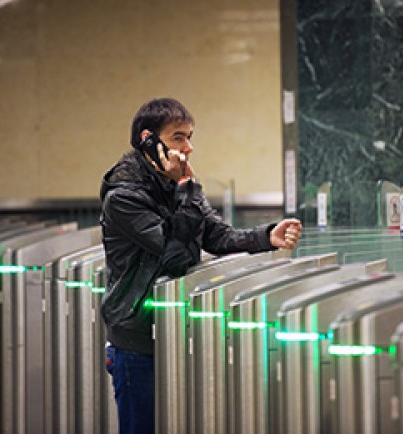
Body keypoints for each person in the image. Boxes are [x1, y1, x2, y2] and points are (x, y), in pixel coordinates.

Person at [99, 97, 302, 434]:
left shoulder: (178, 188)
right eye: (178, 137)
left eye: (190, 137)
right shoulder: (123, 197)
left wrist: (267, 236)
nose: (189, 147)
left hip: (177, 330)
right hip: (136, 338)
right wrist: (186, 190)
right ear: (148, 140)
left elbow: (216, 234)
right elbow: (173, 254)